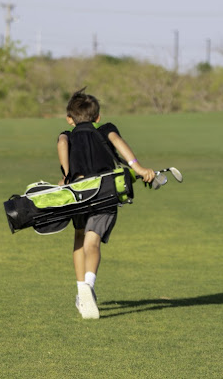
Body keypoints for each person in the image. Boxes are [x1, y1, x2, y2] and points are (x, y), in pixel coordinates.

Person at [56, 88, 155, 319]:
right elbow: (118, 142)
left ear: (70, 119)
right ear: (97, 118)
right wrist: (138, 168)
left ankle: (81, 291)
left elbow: (61, 143)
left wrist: (67, 175)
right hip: (106, 190)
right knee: (93, 242)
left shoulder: (67, 135)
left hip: (79, 192)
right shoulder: (106, 129)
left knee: (80, 238)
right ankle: (89, 284)